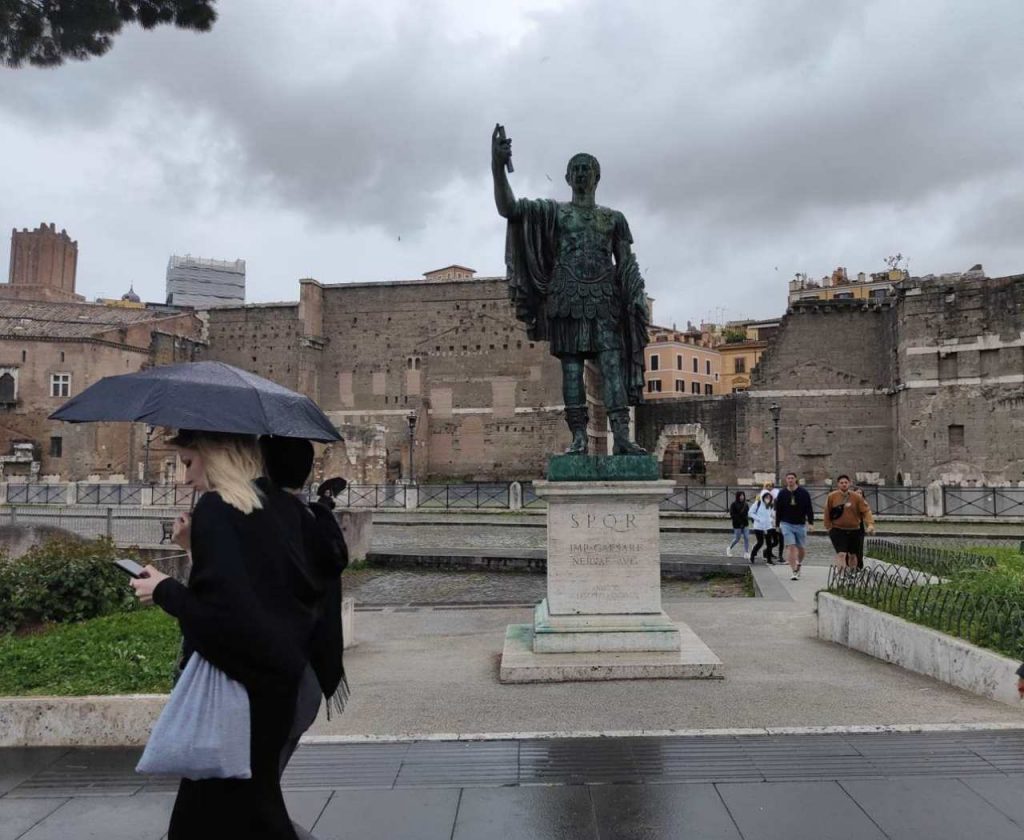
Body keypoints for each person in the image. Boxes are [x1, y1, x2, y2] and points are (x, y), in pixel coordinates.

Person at [131, 430, 334, 840]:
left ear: (216, 455)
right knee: (254, 809)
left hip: (238, 697)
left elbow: (223, 622)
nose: (183, 478)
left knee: (213, 820)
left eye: (188, 463)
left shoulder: (217, 510)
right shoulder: (281, 507)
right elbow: (261, 595)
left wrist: (164, 590)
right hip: (279, 688)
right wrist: (195, 549)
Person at [492, 126, 649, 455]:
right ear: (566, 177)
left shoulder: (614, 218)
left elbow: (627, 263)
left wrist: (634, 295)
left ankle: (621, 436)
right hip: (567, 297)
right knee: (572, 368)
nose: (580, 173)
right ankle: (578, 437)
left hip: (605, 299)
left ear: (596, 177)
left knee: (611, 365)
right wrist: (497, 167)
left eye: (586, 168)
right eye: (575, 168)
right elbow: (509, 208)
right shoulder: (554, 213)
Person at [824, 474, 875, 571]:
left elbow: (866, 511)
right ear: (838, 484)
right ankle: (842, 576)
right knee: (841, 554)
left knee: (853, 555)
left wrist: (870, 524)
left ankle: (852, 573)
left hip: (854, 529)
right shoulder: (832, 497)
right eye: (841, 483)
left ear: (849, 484)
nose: (844, 485)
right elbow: (827, 512)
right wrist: (828, 526)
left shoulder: (856, 497)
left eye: (846, 483)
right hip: (837, 529)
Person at [775, 471, 814, 581]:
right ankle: (794, 571)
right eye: (788, 478)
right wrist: (777, 524)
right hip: (786, 523)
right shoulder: (782, 493)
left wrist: (810, 523)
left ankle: (799, 563)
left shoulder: (804, 493)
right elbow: (779, 510)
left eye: (792, 478)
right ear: (786, 480)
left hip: (800, 524)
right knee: (791, 546)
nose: (790, 480)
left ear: (796, 479)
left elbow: (809, 508)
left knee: (801, 549)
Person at [749, 491, 777, 564]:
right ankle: (752, 555)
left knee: (769, 543)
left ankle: (769, 560)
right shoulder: (757, 503)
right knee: (760, 542)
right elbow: (750, 513)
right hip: (758, 526)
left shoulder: (770, 505)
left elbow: (771, 514)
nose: (767, 499)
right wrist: (758, 519)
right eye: (766, 497)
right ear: (763, 497)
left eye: (769, 497)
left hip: (768, 526)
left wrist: (772, 520)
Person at [726, 491, 750, 557]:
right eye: (740, 495)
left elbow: (747, 513)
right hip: (737, 524)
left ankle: (746, 552)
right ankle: (729, 548)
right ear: (737, 496)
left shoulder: (746, 504)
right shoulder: (733, 504)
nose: (742, 497)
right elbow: (732, 515)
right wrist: (740, 522)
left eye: (743, 495)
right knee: (737, 538)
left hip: (745, 523)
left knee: (747, 538)